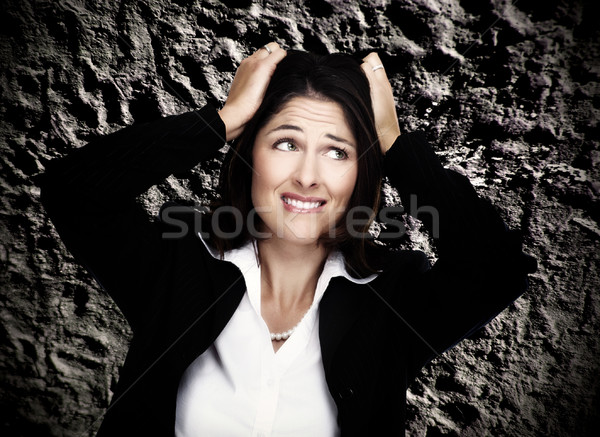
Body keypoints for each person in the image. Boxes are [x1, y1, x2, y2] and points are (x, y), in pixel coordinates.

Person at [39, 42, 536, 436]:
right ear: (249, 152)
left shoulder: (393, 301)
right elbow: (74, 191)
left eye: (338, 152)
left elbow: (499, 272)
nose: (307, 176)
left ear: (362, 173)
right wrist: (225, 118)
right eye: (286, 143)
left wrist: (395, 145)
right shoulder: (179, 267)